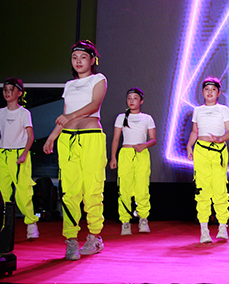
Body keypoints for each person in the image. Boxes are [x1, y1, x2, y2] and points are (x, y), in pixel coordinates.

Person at [43, 40, 108, 261]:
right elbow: (65, 114)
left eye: (83, 57)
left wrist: (71, 116)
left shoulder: (98, 79)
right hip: (67, 139)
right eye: (74, 58)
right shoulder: (69, 85)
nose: (78, 61)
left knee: (92, 188)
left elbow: (94, 105)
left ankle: (94, 236)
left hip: (91, 137)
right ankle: (71, 240)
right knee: (70, 191)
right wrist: (52, 137)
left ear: (92, 60)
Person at [0, 78, 39, 239]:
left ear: (19, 93)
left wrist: (23, 154)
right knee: (0, 191)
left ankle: (31, 224)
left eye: (11, 90)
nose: (7, 93)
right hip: (2, 154)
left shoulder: (23, 113)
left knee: (23, 192)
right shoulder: (0, 112)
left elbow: (30, 136)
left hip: (20, 154)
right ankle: (0, 226)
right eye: (5, 90)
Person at [186, 78, 229, 244]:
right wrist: (189, 146)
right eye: (207, 89)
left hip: (218, 150)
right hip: (201, 149)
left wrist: (221, 139)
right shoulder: (197, 110)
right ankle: (204, 229)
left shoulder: (223, 110)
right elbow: (194, 131)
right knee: (202, 188)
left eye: (213, 89)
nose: (210, 92)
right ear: (202, 92)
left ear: (218, 93)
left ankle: (222, 226)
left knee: (220, 188)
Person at [110, 87, 157, 235]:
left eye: (135, 98)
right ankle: (125, 221)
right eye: (129, 98)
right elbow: (116, 139)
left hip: (142, 153)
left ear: (141, 101)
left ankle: (143, 219)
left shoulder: (147, 118)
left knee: (142, 187)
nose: (131, 101)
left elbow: (153, 139)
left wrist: (144, 145)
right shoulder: (121, 117)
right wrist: (113, 157)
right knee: (125, 188)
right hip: (125, 153)